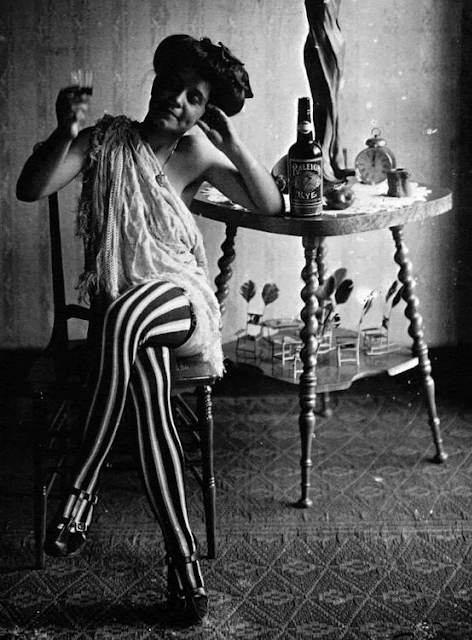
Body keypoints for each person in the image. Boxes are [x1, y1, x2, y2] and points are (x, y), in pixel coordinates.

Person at [16, 34, 283, 626]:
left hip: (180, 306)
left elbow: (269, 205)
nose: (177, 101)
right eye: (172, 86)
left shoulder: (196, 152)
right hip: (124, 326)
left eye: (194, 98)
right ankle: (183, 564)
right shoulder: (104, 142)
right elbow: (29, 189)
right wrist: (64, 131)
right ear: (156, 82)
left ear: (202, 111)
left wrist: (233, 144)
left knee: (126, 316)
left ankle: (81, 485)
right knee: (146, 382)